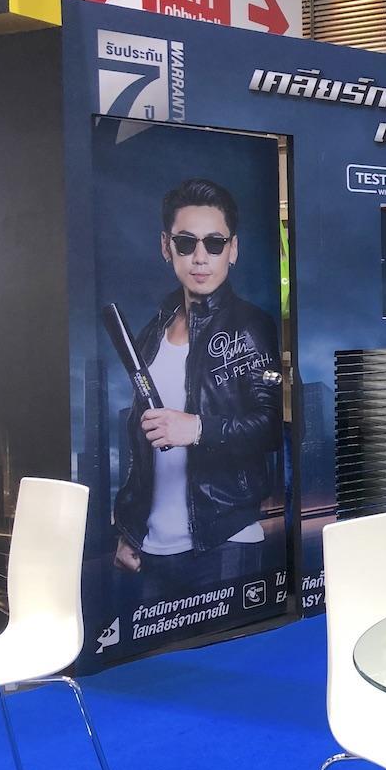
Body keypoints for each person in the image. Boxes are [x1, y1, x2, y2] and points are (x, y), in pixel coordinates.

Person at [113, 178, 281, 600]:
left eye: (215, 243)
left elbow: (270, 426)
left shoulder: (251, 327)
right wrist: (130, 528)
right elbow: (141, 438)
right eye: (186, 243)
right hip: (153, 548)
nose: (200, 258)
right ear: (166, 247)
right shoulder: (152, 333)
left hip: (225, 542)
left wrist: (199, 429)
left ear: (233, 249)